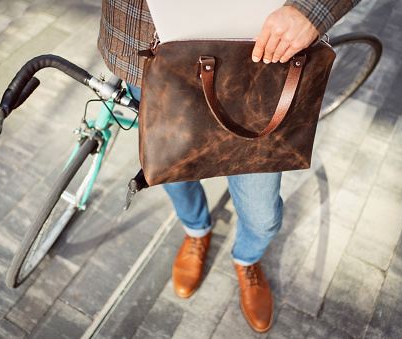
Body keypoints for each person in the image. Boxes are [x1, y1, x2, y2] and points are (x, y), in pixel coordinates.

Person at [98, 0, 360, 333]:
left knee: (263, 214)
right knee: (169, 166)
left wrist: (314, 10)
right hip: (149, 38)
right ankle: (196, 230)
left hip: (261, 49)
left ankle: (247, 258)